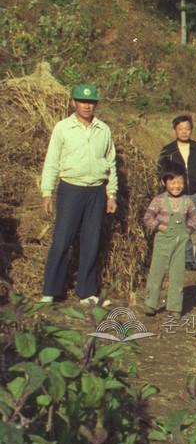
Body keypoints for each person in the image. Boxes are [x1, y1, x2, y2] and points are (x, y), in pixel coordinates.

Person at [39, 84, 118, 306]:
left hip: (96, 191)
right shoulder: (63, 128)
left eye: (91, 102)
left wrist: (111, 194)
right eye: (82, 101)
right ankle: (50, 291)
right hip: (70, 189)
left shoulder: (103, 129)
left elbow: (111, 163)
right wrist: (47, 192)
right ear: (74, 103)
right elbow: (52, 161)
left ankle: (86, 292)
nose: (86, 106)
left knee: (91, 241)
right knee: (62, 239)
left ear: (96, 105)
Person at [141, 160, 196, 317]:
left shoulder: (187, 201)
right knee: (157, 272)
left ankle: (174, 307)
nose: (176, 186)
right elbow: (147, 217)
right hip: (163, 240)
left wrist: (188, 230)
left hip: (180, 241)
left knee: (177, 274)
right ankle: (151, 304)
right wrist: (159, 226)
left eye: (180, 182)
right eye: (172, 182)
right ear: (163, 182)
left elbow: (194, 217)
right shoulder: (159, 200)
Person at [157, 115, 196, 270]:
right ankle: (187, 259)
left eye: (187, 129)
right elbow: (162, 173)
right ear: (175, 130)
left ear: (191, 130)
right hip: (178, 195)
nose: (184, 132)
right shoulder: (168, 151)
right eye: (180, 129)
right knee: (182, 226)